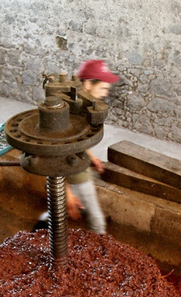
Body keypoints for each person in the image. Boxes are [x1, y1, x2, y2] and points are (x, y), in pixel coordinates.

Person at [33, 59, 119, 234]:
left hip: (77, 169)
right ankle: (98, 256)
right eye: (102, 88)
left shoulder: (79, 108)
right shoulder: (65, 115)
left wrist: (91, 156)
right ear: (87, 84)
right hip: (76, 175)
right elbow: (52, 156)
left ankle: (37, 231)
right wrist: (66, 193)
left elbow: (77, 140)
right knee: (96, 222)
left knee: (57, 213)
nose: (104, 93)